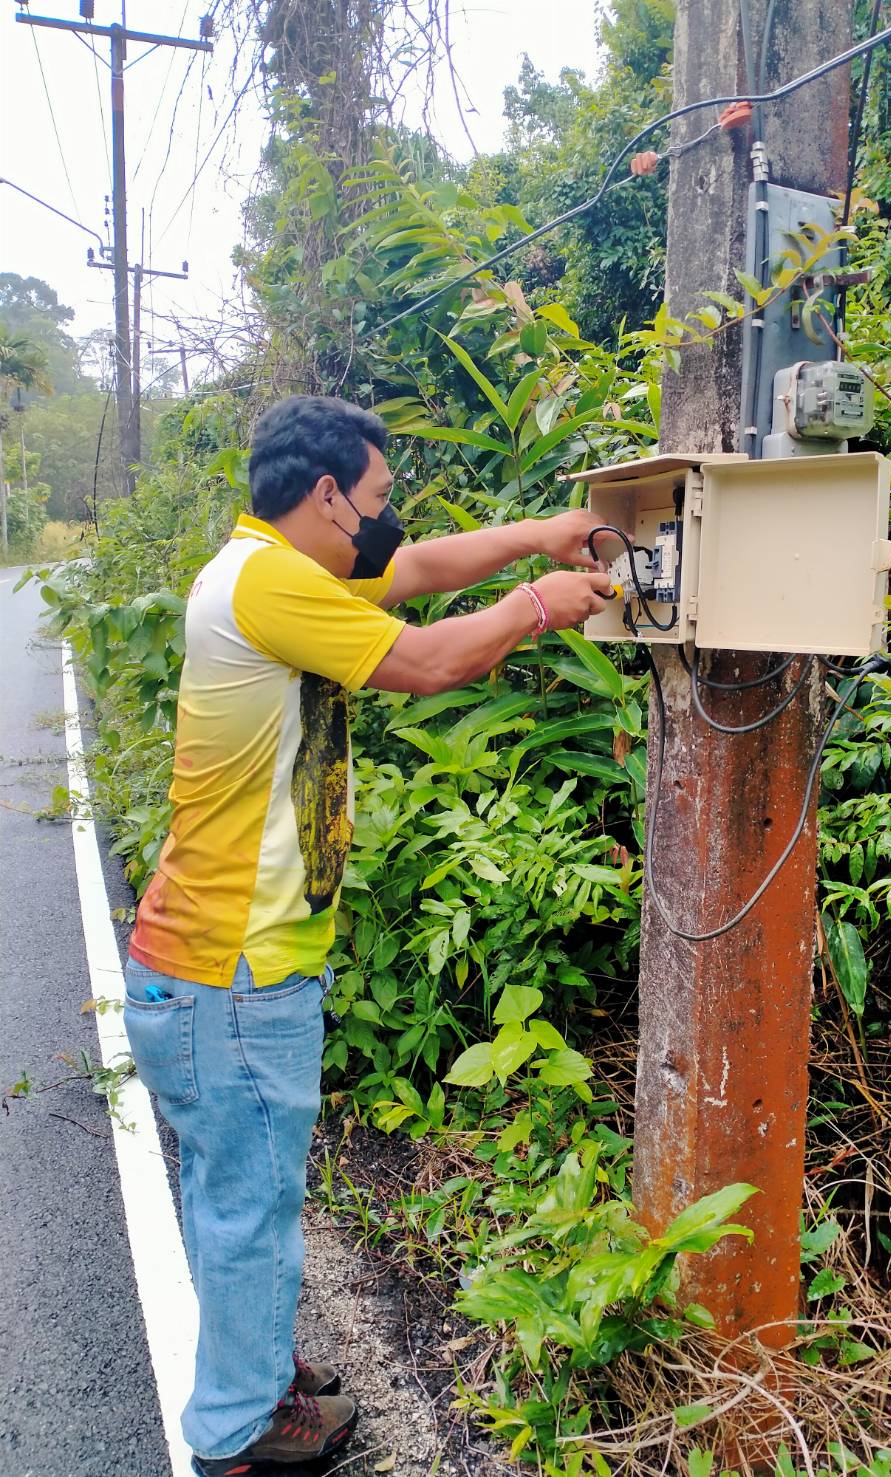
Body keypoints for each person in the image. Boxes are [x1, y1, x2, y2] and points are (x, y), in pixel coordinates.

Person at [122, 394, 612, 1476]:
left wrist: (536, 534)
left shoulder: (268, 568)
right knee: (252, 1209)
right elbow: (433, 661)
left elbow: (422, 570)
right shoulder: (266, 584)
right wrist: (541, 599)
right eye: (379, 497)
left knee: (231, 1196)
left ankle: (248, 1367)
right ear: (328, 492)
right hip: (231, 974)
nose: (390, 519)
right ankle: (239, 1435)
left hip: (211, 967)